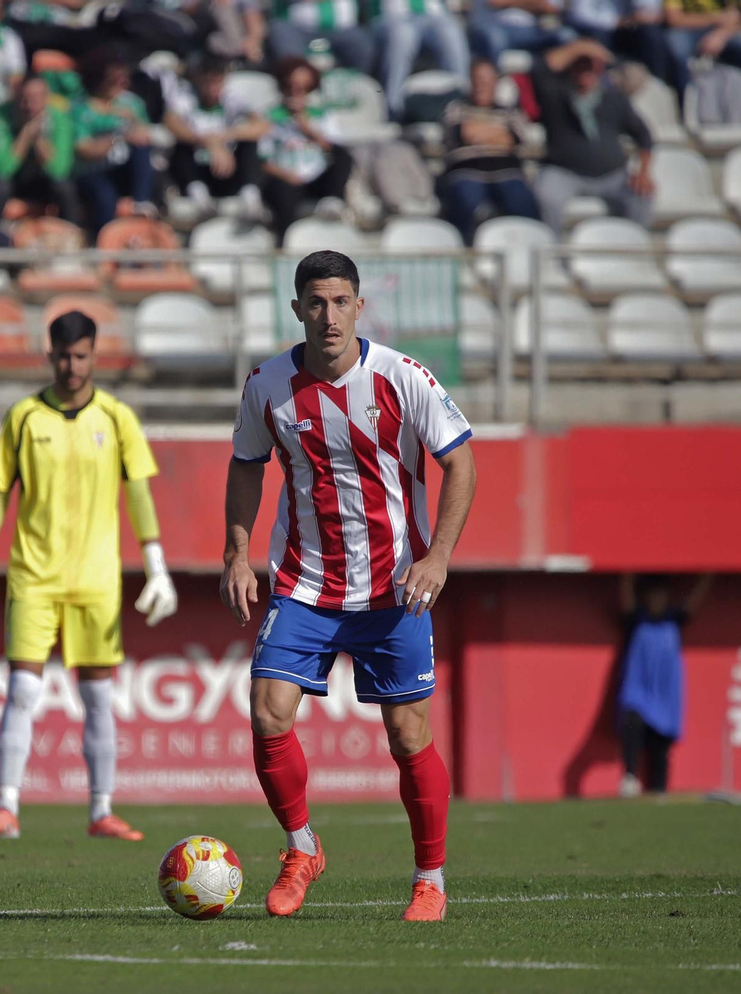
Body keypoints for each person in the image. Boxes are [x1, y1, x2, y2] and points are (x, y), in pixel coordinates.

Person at [222, 250, 478, 923]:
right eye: (316, 302)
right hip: (305, 583)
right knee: (267, 710)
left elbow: (462, 463)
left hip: (395, 588)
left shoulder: (402, 376)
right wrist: (237, 552)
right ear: (297, 308)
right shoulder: (267, 385)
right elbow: (246, 465)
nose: (329, 315)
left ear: (359, 307)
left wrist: (439, 558)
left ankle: (430, 881)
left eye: (341, 302)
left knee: (406, 734)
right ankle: (302, 848)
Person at [0, 311, 179, 843]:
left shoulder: (117, 417)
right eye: (63, 355)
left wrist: (157, 568)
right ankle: (6, 805)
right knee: (21, 691)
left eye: (81, 356)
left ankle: (102, 810)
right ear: (49, 353)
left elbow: (140, 493)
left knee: (99, 697)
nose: (71, 365)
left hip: (97, 580)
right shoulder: (24, 417)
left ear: (94, 356)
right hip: (33, 575)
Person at [531, 39, 655, 234]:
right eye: (580, 66)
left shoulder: (613, 98)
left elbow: (644, 135)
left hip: (612, 175)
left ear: (598, 70)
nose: (584, 72)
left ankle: (632, 250)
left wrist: (644, 172)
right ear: (571, 68)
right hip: (565, 172)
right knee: (546, 194)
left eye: (589, 67)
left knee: (641, 195)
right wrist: (579, 47)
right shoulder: (555, 94)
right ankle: (552, 254)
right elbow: (539, 69)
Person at [616, 573, 712, 797]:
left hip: (665, 695)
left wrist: (709, 574)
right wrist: (627, 575)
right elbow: (625, 593)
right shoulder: (636, 620)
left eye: (661, 595)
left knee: (660, 749)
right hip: (638, 690)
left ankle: (658, 792)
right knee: (631, 721)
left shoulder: (674, 620)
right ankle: (629, 777)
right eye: (653, 595)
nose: (657, 600)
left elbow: (694, 601)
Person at [438, 59, 540, 243]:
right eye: (477, 79)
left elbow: (515, 138)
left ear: (496, 82)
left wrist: (478, 131)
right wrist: (497, 133)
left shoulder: (511, 111)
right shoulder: (456, 108)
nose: (481, 85)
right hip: (466, 172)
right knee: (465, 201)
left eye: (486, 79)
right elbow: (462, 133)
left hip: (507, 173)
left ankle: (527, 254)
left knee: (522, 203)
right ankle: (464, 253)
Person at [259, 57, 353, 246]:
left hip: (317, 178)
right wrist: (286, 175)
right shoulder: (269, 117)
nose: (297, 93)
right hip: (286, 179)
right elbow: (262, 159)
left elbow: (333, 149)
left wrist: (305, 126)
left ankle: (332, 201)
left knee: (344, 157)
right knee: (281, 192)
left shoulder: (323, 115)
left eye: (304, 87)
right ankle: (285, 243)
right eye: (290, 86)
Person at [163, 53, 267, 223]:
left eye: (217, 82)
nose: (213, 89)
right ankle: (199, 197)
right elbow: (172, 123)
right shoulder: (186, 98)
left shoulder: (231, 99)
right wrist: (207, 142)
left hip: (227, 168)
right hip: (199, 167)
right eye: (208, 83)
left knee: (249, 144)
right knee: (181, 148)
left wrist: (225, 136)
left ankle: (250, 196)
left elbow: (261, 126)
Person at [72, 47, 158, 232]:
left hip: (124, 169)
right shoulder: (80, 108)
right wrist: (118, 137)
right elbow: (85, 149)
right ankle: (103, 240)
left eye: (123, 77)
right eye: (114, 78)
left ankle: (141, 202)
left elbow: (145, 136)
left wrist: (133, 120)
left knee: (142, 150)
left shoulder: (130, 104)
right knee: (104, 196)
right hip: (91, 170)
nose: (121, 82)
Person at [0, 75, 82, 220]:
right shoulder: (0, 117)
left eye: (35, 99)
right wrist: (25, 135)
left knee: (64, 187)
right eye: (25, 99)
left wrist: (38, 138)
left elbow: (59, 169)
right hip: (15, 180)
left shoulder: (60, 119)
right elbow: (1, 168)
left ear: (46, 98)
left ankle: (72, 230)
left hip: (43, 181)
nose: (30, 106)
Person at [372, 0, 472, 121]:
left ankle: (461, 103)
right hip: (394, 16)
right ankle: (393, 108)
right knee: (404, 35)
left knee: (451, 32)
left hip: (433, 15)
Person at [563, 0, 675, 90]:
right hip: (597, 29)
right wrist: (619, 21)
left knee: (651, 34)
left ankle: (659, 85)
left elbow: (649, 11)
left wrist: (634, 17)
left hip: (628, 28)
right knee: (597, 36)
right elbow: (580, 15)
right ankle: (603, 86)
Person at [663, 0, 741, 95]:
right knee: (678, 51)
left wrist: (720, 36)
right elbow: (674, 19)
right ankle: (685, 100)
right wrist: (714, 18)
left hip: (720, 30)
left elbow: (735, 17)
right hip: (686, 29)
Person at [265, 0, 377, 74]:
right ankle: (298, 89)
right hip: (298, 29)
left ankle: (357, 90)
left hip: (345, 29)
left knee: (363, 44)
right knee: (282, 36)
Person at [467, 0, 576, 61]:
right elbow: (496, 2)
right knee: (495, 39)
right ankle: (494, 88)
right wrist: (534, 4)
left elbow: (551, 8)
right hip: (498, 28)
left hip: (535, 29)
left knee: (566, 36)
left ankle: (562, 95)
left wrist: (515, 3)